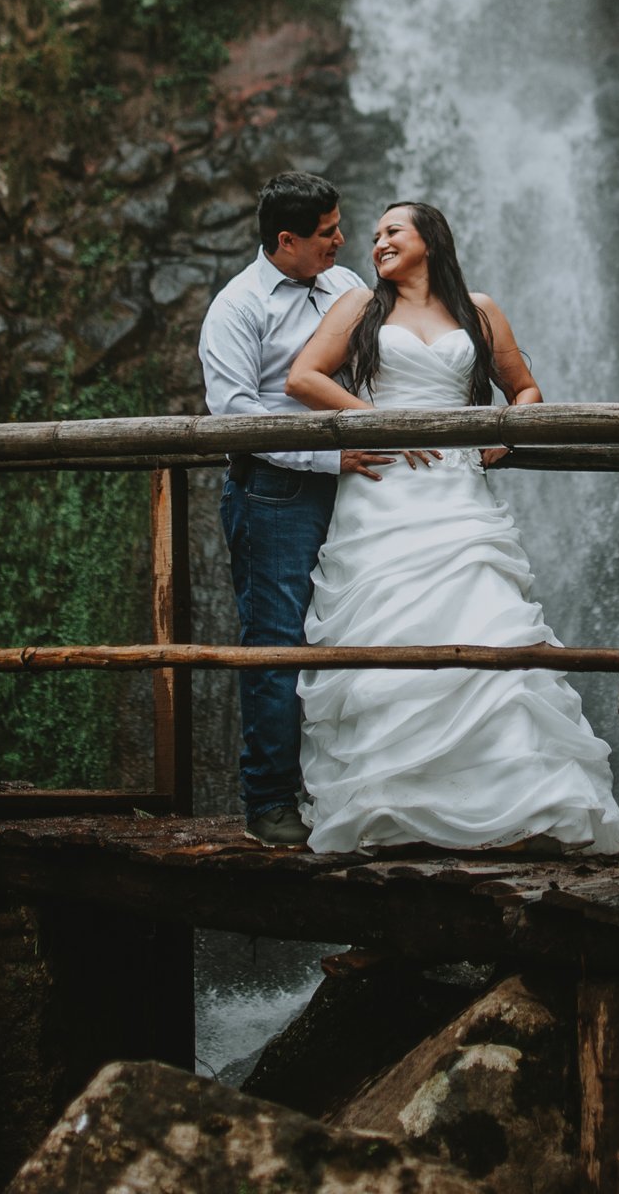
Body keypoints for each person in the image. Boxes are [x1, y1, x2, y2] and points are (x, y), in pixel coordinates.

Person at [283, 201, 619, 855]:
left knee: (483, 619)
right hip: (384, 489)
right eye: (377, 234)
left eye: (393, 230)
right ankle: (393, 804)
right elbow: (303, 377)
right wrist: (374, 420)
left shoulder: (479, 308)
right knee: (389, 625)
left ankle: (516, 804)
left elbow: (525, 389)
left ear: (429, 240)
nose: (378, 241)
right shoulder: (360, 306)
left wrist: (506, 429)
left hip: (457, 491)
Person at [198, 172, 396, 847]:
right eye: (328, 233)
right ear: (286, 241)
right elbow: (236, 419)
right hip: (276, 493)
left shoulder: (344, 289)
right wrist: (328, 458)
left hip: (361, 487)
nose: (346, 240)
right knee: (277, 646)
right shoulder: (237, 307)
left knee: (360, 628)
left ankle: (360, 790)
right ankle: (271, 802)